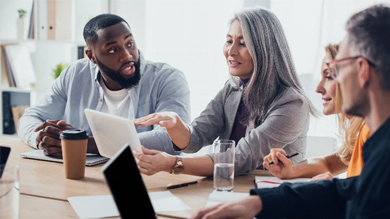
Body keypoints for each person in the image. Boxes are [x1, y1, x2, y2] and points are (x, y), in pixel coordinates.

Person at [190, 4, 390, 219]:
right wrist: (258, 202)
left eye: (336, 70)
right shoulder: (376, 140)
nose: (319, 87)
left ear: (362, 70)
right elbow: (350, 190)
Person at [133, 7, 318, 177]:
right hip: (227, 189)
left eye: (243, 43)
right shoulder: (232, 88)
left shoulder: (292, 103)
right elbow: (197, 136)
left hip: (270, 197)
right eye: (229, 41)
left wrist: (173, 163)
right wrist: (175, 124)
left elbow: (240, 158)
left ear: (265, 50)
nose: (231, 51)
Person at [17, 14, 191, 158]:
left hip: (149, 178)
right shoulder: (75, 74)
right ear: (91, 56)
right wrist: (40, 139)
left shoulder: (167, 78)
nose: (127, 55)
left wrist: (82, 143)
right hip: (86, 176)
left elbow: (173, 140)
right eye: (113, 50)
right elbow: (30, 117)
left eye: (129, 44)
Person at [263, 44, 371, 180]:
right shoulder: (361, 130)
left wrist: (333, 190)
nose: (318, 88)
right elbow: (328, 164)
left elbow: (373, 199)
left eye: (329, 77)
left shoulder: (371, 131)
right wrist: (292, 170)